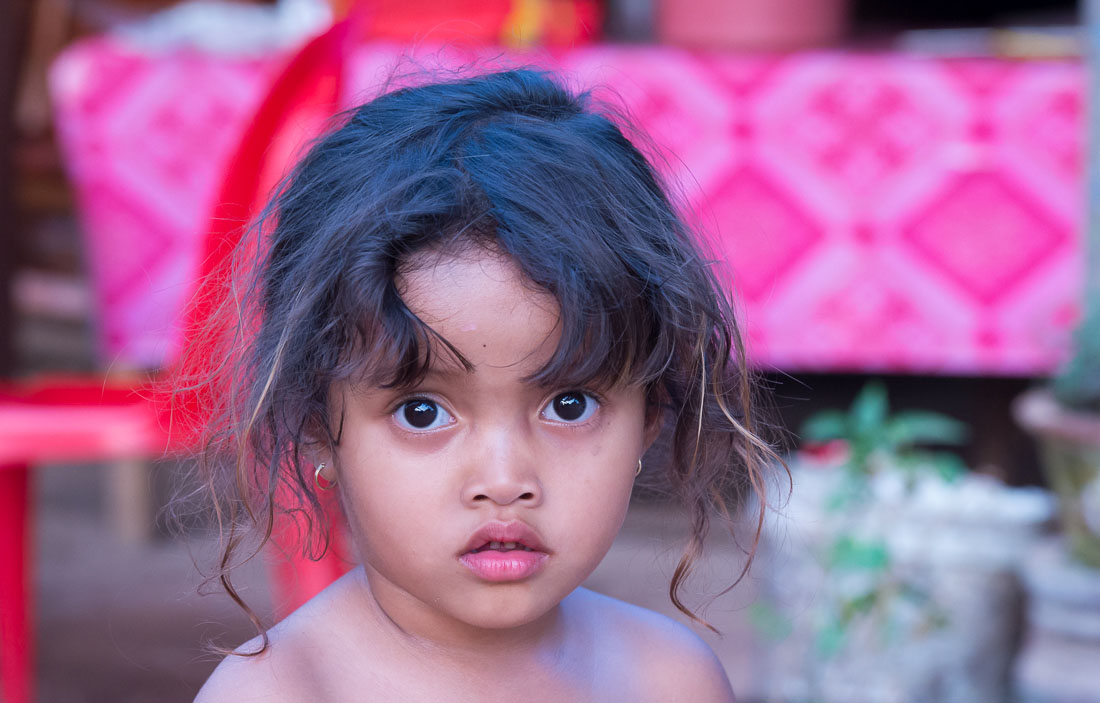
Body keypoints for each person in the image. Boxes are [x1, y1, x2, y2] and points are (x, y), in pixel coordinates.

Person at [190, 68, 776, 702]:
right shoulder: (282, 694)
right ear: (314, 424)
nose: (504, 481)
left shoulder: (668, 680)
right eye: (420, 412)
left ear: (651, 413)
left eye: (568, 404)